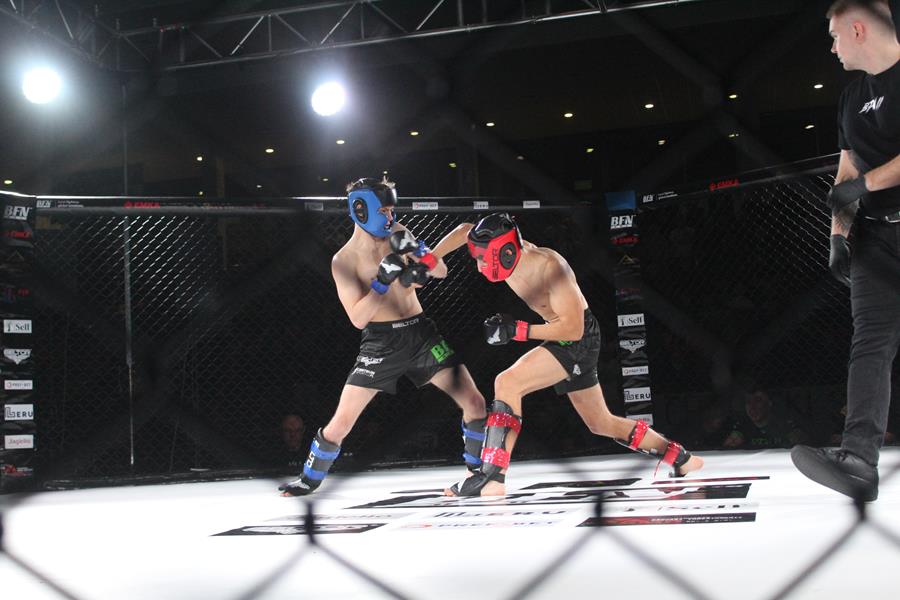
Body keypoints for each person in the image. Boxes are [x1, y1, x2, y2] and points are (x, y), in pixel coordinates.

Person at [433, 213, 703, 496]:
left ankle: (493, 477)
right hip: (564, 335)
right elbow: (464, 230)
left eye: (483, 259)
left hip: (576, 337)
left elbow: (573, 329)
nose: (480, 268)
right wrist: (429, 258)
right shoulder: (502, 250)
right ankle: (680, 457)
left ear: (506, 251)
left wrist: (518, 330)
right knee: (601, 422)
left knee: (508, 382)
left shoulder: (550, 267)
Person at [278, 177, 488, 496]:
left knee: (474, 401)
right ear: (361, 210)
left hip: (421, 334)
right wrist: (380, 283)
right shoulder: (344, 261)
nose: (390, 217)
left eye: (392, 209)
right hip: (380, 343)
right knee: (342, 421)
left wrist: (421, 257)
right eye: (384, 210)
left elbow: (440, 270)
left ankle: (477, 474)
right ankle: (309, 479)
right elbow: (357, 318)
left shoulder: (398, 232)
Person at [791, 0, 900, 503]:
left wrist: (866, 185)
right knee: (870, 343)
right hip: (876, 237)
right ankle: (858, 460)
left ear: (858, 29)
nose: (832, 48)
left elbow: (862, 180)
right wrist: (838, 234)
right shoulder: (852, 97)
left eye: (835, 36)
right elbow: (846, 172)